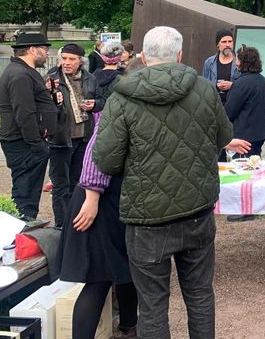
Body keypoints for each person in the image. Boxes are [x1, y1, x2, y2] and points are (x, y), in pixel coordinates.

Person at [94, 26, 237, 339]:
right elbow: (223, 137)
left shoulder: (122, 98)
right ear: (180, 55)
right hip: (196, 209)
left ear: (144, 57)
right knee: (200, 295)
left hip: (148, 217)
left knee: (153, 305)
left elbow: (106, 160)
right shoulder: (204, 89)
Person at [58, 48, 137, 339]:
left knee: (126, 269)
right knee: (99, 278)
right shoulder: (120, 110)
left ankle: (128, 325)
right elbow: (96, 154)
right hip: (97, 199)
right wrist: (92, 196)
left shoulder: (130, 108)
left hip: (114, 199)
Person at [0, 32, 55, 219]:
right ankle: (21, 230)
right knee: (25, 194)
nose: (47, 53)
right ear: (32, 50)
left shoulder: (24, 72)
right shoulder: (19, 74)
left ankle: (24, 226)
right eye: (44, 49)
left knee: (28, 193)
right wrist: (37, 144)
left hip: (26, 142)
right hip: (23, 143)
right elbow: (24, 113)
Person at [45, 43, 102, 228]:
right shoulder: (52, 78)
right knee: (60, 185)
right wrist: (49, 95)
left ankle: (75, 224)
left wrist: (94, 104)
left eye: (72, 59)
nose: (67, 63)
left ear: (80, 61)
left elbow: (102, 101)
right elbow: (42, 106)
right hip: (60, 139)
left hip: (84, 138)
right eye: (64, 58)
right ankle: (61, 226)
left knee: (78, 183)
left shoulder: (90, 78)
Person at [225, 45, 265, 158]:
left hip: (243, 135)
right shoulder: (262, 80)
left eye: (237, 59)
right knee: (254, 162)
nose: (235, 62)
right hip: (259, 133)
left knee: (241, 165)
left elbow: (229, 111)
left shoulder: (241, 83)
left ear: (242, 61)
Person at [202, 28, 241, 104]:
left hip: (234, 104)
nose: (227, 45)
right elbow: (204, 85)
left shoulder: (240, 62)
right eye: (224, 42)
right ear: (218, 44)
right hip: (214, 104)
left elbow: (246, 85)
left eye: (230, 41)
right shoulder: (209, 62)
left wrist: (232, 85)